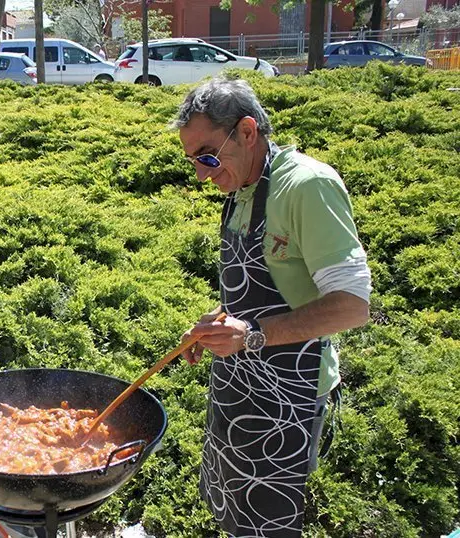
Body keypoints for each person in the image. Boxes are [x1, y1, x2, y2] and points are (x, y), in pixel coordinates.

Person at [173, 77, 371, 537]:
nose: (202, 174)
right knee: (233, 509)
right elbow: (254, 295)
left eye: (206, 156)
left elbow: (352, 306)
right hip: (237, 380)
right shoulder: (242, 185)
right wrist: (218, 325)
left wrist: (253, 336)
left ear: (246, 131)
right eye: (193, 162)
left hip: (290, 394)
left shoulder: (307, 185)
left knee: (269, 519)